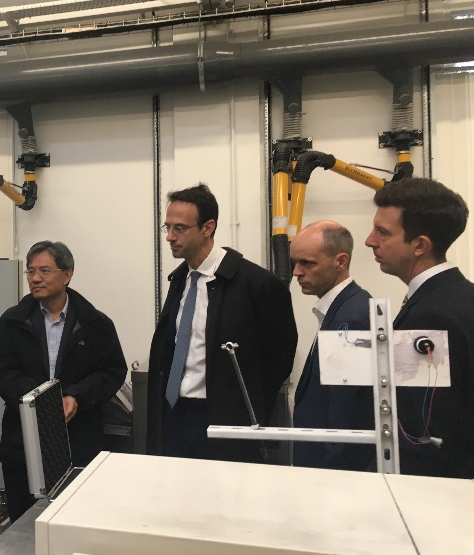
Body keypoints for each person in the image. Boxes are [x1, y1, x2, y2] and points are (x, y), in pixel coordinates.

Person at [147, 183, 297, 462]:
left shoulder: (257, 285)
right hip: (174, 413)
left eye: (179, 228)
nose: (169, 237)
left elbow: (278, 358)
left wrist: (240, 407)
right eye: (166, 227)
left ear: (208, 227)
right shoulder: (180, 281)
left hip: (224, 421)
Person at [0, 241, 126, 522]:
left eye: (44, 270)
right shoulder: (13, 322)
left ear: (67, 274)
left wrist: (76, 395)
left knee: (75, 524)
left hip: (78, 442)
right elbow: (3, 370)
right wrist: (41, 401)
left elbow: (112, 371)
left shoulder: (96, 324)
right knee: (23, 530)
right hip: (23, 444)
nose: (35, 278)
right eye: (30, 271)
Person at [365, 177, 474, 478]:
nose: (369, 240)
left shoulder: (430, 316)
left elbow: (421, 436)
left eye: (382, 232)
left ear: (420, 245)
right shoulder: (462, 297)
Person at [290, 220, 375, 471]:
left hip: (332, 470)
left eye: (307, 263)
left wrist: (330, 473)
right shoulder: (342, 310)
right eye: (294, 262)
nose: (296, 272)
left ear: (340, 261)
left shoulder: (352, 317)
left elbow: (345, 412)